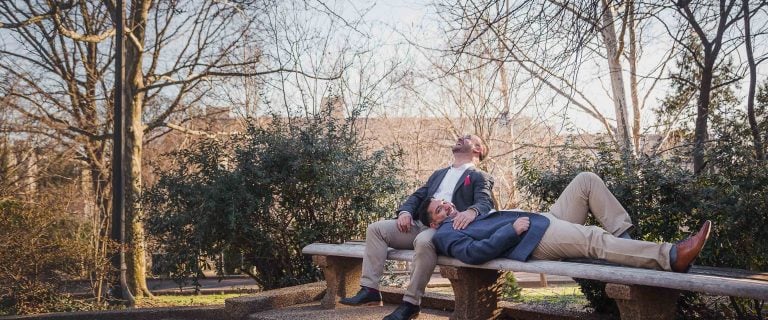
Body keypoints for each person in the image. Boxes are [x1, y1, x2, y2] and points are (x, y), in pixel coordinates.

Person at [420, 172, 711, 272]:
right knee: (593, 238)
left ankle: (627, 242)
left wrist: (471, 211)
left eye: (444, 202)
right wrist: (511, 230)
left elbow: (482, 205)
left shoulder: (468, 214)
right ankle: (671, 256)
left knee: (586, 181)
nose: (445, 207)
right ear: (434, 224)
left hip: (544, 219)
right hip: (532, 237)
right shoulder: (444, 235)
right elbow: (473, 254)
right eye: (438, 210)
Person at [339, 134, 495, 320]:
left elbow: (485, 202)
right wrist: (405, 212)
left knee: (423, 241)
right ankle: (370, 290)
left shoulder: (479, 176)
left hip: (445, 228)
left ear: (478, 149)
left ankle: (411, 304)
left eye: (468, 138)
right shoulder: (439, 174)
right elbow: (417, 196)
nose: (461, 137)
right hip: (421, 223)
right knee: (376, 229)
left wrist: (471, 212)